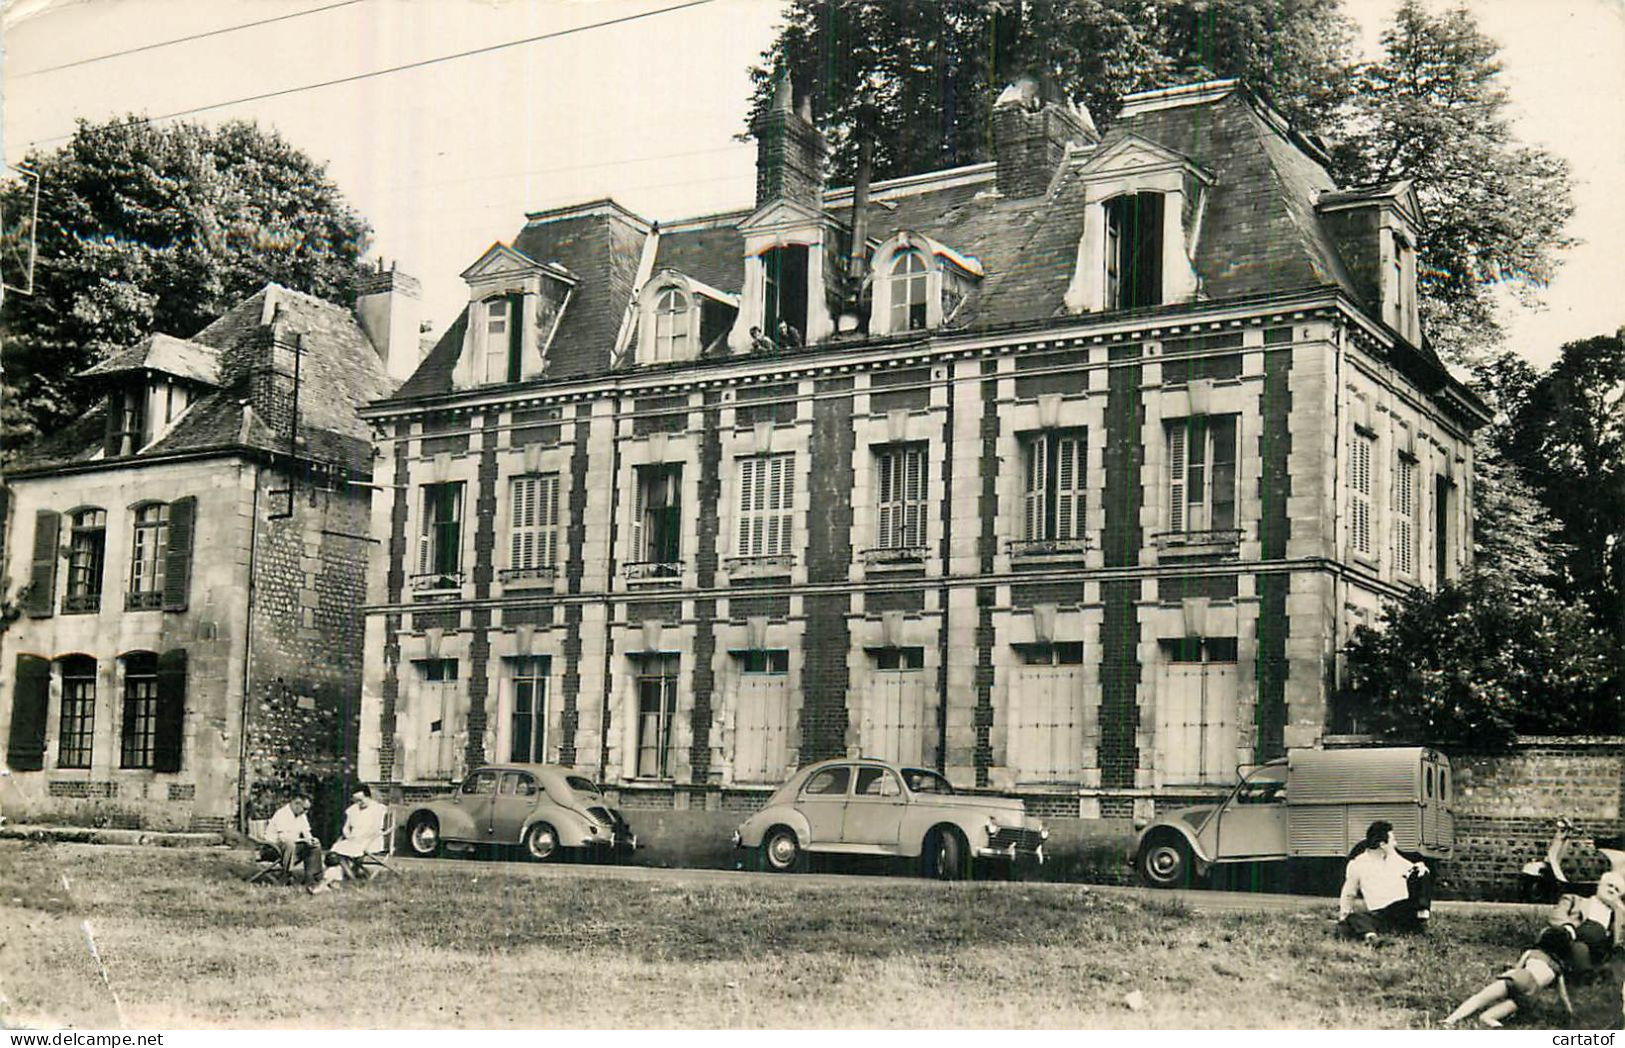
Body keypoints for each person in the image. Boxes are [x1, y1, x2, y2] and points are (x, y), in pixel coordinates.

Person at [1444, 871, 1625, 1027]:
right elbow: (1557, 919)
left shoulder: (1617, 920)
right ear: (1600, 884)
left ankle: (1488, 1017)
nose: (1612, 890)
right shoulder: (1575, 900)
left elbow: (1617, 947)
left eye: (1617, 890)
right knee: (1523, 983)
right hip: (1553, 953)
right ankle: (1452, 1019)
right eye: (1610, 885)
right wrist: (1570, 930)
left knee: (1530, 993)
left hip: (1580, 968)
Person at [1336, 819, 1434, 942]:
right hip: (1380, 915)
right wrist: (1343, 917)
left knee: (1422, 872)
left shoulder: (1394, 858)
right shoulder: (1358, 864)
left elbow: (1413, 869)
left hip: (1402, 910)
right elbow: (1349, 894)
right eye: (1393, 840)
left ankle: (1422, 921)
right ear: (1382, 844)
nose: (1395, 844)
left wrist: (1420, 867)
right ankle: (1372, 937)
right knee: (1354, 918)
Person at [329, 783, 389, 879]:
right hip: (353, 839)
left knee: (349, 849)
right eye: (355, 801)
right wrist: (348, 835)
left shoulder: (378, 809)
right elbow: (346, 827)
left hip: (371, 840)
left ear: (368, 797)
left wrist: (361, 838)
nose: (358, 803)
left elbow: (376, 829)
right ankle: (351, 875)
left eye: (361, 800)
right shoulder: (353, 809)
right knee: (337, 849)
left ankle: (351, 876)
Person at [266, 794, 324, 885]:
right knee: (289, 843)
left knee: (315, 846)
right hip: (272, 848)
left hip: (290, 849)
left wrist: (311, 839)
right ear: (296, 804)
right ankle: (287, 874)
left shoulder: (301, 815)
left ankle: (312, 878)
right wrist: (303, 841)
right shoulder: (282, 814)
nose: (306, 812)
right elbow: (283, 837)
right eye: (304, 808)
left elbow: (306, 832)